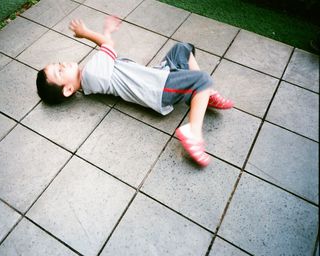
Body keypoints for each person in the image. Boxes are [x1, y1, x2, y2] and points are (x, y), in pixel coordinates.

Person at [36, 16, 233, 167]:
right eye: (59, 71)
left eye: (58, 64)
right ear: (69, 89)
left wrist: (107, 30)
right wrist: (85, 32)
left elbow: (107, 52)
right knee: (203, 78)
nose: (62, 64)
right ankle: (194, 130)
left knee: (181, 48)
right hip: (158, 88)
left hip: (157, 76)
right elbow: (108, 46)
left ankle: (200, 95)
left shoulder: (93, 74)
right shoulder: (91, 74)